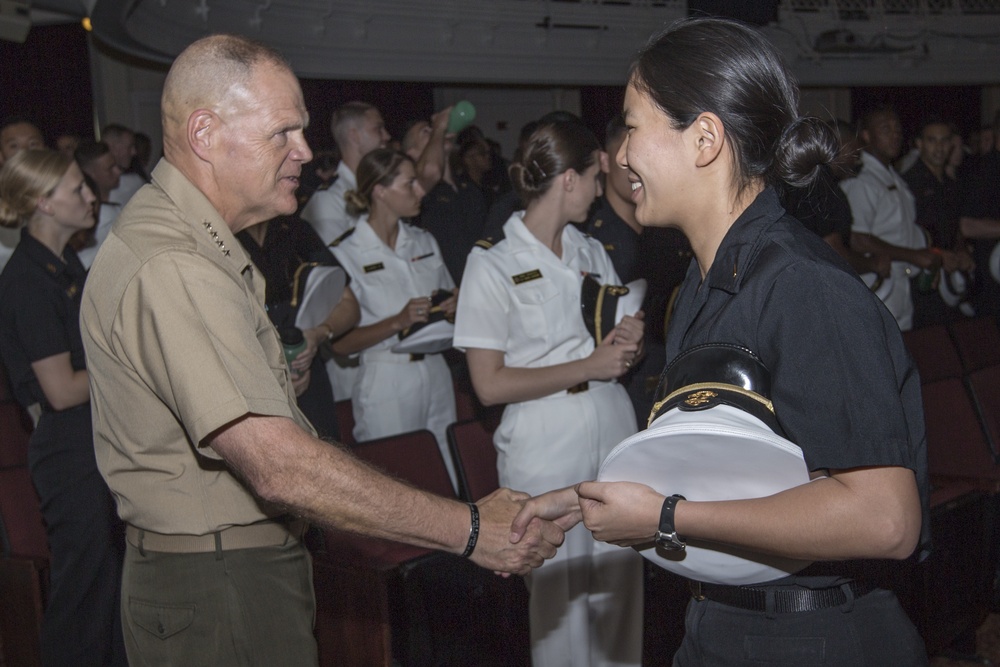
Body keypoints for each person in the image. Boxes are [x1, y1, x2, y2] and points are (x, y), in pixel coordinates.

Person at [79, 34, 564, 665]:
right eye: (283, 132)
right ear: (205, 134)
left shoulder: (193, 243)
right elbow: (278, 465)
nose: (305, 152)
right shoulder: (176, 263)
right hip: (222, 579)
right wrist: (471, 530)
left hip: (233, 566)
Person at [513, 18, 929, 666]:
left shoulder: (802, 286)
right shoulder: (703, 285)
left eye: (632, 126)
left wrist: (667, 517)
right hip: (719, 626)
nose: (617, 155)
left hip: (814, 639)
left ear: (704, 139)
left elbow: (886, 519)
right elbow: (729, 462)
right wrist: (596, 495)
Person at [454, 119, 646, 667]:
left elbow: (613, 340)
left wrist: (626, 341)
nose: (598, 189)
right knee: (557, 599)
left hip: (611, 425)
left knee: (618, 597)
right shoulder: (492, 262)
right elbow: (488, 385)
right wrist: (591, 362)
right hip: (543, 437)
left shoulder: (591, 250)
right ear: (568, 179)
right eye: (593, 176)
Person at [0, 149, 126, 667]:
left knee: (111, 593)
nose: (91, 196)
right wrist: (136, 363)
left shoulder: (64, 262)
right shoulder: (27, 279)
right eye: (76, 189)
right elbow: (61, 390)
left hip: (93, 440)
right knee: (84, 600)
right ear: (41, 203)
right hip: (70, 454)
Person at [329, 148, 460, 483]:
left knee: (447, 473)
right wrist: (397, 322)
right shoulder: (345, 253)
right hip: (386, 377)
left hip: (436, 369)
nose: (420, 191)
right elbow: (339, 345)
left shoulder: (423, 241)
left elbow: (451, 297)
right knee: (396, 479)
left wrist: (456, 306)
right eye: (410, 183)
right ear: (380, 191)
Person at [235, 214, 359, 440]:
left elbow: (349, 305)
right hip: (253, 376)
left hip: (305, 363)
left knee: (327, 454)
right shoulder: (219, 232)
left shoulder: (295, 228)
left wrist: (319, 333)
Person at [841, 106, 942, 331]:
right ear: (867, 135)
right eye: (886, 129)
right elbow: (857, 238)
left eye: (897, 129)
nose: (895, 135)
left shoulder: (893, 178)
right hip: (875, 284)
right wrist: (913, 255)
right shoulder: (863, 182)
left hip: (899, 284)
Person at [300, 101, 391, 244]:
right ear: (354, 136)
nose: (387, 136)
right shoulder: (329, 201)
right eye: (378, 129)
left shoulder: (384, 187)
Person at [74, 140, 123, 268]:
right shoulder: (104, 216)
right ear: (90, 174)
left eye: (116, 166)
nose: (118, 171)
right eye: (110, 168)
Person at [101, 123, 146, 206]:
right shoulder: (96, 187)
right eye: (129, 147)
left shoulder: (135, 183)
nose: (134, 152)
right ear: (113, 148)